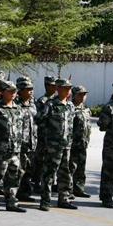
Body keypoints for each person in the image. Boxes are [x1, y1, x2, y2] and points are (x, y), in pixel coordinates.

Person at [0, 80, 26, 213]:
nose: (13, 93)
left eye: (14, 91)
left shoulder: (18, 109)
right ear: (3, 92)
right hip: (0, 152)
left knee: (14, 178)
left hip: (15, 151)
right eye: (10, 91)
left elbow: (21, 128)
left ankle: (12, 202)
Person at [37, 79, 76, 211]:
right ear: (58, 89)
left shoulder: (70, 106)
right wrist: (48, 137)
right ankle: (45, 200)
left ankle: (64, 199)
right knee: (49, 173)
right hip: (53, 146)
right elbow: (40, 120)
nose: (68, 90)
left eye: (69, 88)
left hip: (66, 146)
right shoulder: (50, 104)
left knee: (65, 173)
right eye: (65, 88)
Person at [69, 85, 92, 198]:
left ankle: (79, 189)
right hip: (72, 143)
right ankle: (68, 190)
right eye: (80, 95)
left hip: (83, 143)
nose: (82, 97)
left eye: (84, 95)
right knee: (70, 168)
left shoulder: (86, 110)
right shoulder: (70, 108)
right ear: (74, 95)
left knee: (81, 167)